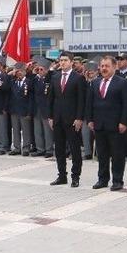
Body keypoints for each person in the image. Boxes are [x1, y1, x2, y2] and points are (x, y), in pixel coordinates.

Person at [86, 56, 127, 190]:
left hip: (116, 125)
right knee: (102, 154)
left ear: (114, 67)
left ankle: (117, 180)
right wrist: (90, 119)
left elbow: (126, 104)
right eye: (102, 66)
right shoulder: (95, 82)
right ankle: (102, 179)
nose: (104, 68)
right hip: (99, 124)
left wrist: (123, 122)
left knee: (117, 154)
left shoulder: (122, 83)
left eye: (107, 66)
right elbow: (90, 103)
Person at [48, 52, 85, 187]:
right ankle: (62, 175)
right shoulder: (55, 77)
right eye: (61, 60)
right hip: (57, 118)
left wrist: (79, 118)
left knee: (75, 149)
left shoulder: (78, 78)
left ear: (71, 62)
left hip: (72, 120)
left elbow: (81, 100)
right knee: (59, 149)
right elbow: (51, 98)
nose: (62, 63)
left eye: (65, 60)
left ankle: (75, 176)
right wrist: (50, 116)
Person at [8, 63, 34, 156]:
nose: (19, 73)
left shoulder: (29, 82)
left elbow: (31, 99)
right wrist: (12, 73)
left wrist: (29, 112)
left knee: (25, 130)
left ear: (25, 72)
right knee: (15, 130)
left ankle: (26, 147)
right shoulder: (13, 81)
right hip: (14, 110)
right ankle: (17, 148)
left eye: (21, 71)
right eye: (17, 71)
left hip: (24, 110)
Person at [31, 59, 54, 158]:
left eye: (42, 69)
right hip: (37, 109)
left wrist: (49, 72)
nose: (40, 71)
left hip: (46, 109)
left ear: (46, 70)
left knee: (47, 131)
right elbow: (30, 86)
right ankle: (40, 149)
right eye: (38, 69)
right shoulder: (35, 79)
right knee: (37, 131)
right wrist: (33, 73)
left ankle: (49, 150)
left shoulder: (50, 79)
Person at [80, 61, 98, 160]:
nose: (90, 74)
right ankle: (87, 152)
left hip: (96, 112)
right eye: (88, 72)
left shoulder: (99, 81)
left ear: (96, 72)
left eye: (92, 72)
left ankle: (99, 153)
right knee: (85, 133)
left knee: (97, 134)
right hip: (85, 112)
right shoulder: (84, 83)